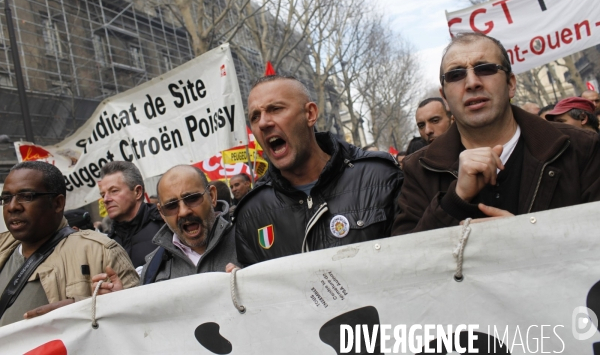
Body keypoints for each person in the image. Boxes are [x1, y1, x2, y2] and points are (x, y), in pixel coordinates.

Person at [392, 32, 600, 235]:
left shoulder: (581, 147)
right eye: (456, 75)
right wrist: (454, 200)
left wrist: (530, 239)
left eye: (485, 69)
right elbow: (408, 262)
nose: (472, 83)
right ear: (444, 97)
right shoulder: (419, 169)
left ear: (510, 84)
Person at [234, 75, 402, 266]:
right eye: (255, 116)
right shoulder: (251, 213)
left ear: (310, 114)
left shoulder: (381, 178)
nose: (263, 123)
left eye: (276, 109)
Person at [0, 162, 138, 326]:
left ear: (57, 203)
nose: (13, 206)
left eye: (27, 196)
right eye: (6, 198)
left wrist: (87, 309)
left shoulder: (101, 251)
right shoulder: (3, 248)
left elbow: (139, 326)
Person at [93, 165, 237, 291]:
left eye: (192, 198)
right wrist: (120, 299)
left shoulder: (245, 239)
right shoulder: (153, 267)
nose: (183, 211)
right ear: (161, 212)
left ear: (212, 196)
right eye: (171, 206)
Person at [98, 162, 163, 269]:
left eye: (114, 191)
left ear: (137, 192)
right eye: (103, 194)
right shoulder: (107, 244)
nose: (105, 200)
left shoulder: (166, 228)